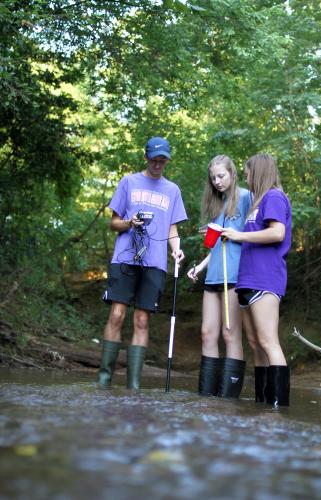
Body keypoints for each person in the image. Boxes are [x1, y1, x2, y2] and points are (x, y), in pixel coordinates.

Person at [98, 136, 187, 389]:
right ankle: (104, 380)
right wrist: (129, 222)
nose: (159, 165)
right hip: (125, 259)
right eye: (155, 159)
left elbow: (172, 230)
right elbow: (114, 223)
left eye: (163, 161)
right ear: (146, 157)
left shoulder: (173, 190)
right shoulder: (129, 182)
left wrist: (177, 251)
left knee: (142, 320)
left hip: (155, 262)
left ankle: (133, 386)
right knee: (116, 315)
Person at [221, 153, 292, 407]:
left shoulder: (274, 196)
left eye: (248, 173)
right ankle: (262, 402)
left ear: (258, 173)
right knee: (255, 344)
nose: (246, 177)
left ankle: (279, 406)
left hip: (266, 278)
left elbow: (277, 232)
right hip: (247, 280)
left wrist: (239, 236)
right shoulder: (257, 202)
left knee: (267, 341)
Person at [187, 155, 251, 398]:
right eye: (213, 178)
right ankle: (207, 398)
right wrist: (200, 268)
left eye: (221, 176)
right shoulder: (217, 205)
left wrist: (233, 233)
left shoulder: (246, 198)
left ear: (233, 175)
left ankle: (228, 399)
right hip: (213, 276)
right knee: (207, 333)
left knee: (230, 333)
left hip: (234, 276)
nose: (217, 181)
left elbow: (252, 236)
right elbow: (216, 247)